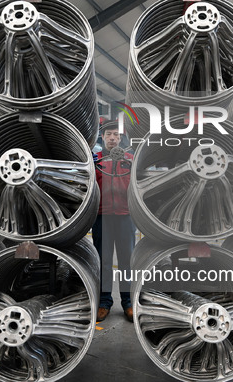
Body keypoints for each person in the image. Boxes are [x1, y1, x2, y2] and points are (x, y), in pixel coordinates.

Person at [92, 122, 135, 322]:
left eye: (115, 135)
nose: (112, 138)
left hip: (125, 216)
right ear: (102, 137)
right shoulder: (95, 161)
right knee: (104, 261)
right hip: (102, 217)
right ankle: (104, 302)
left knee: (127, 261)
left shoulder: (130, 160)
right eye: (108, 134)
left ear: (120, 138)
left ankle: (128, 302)